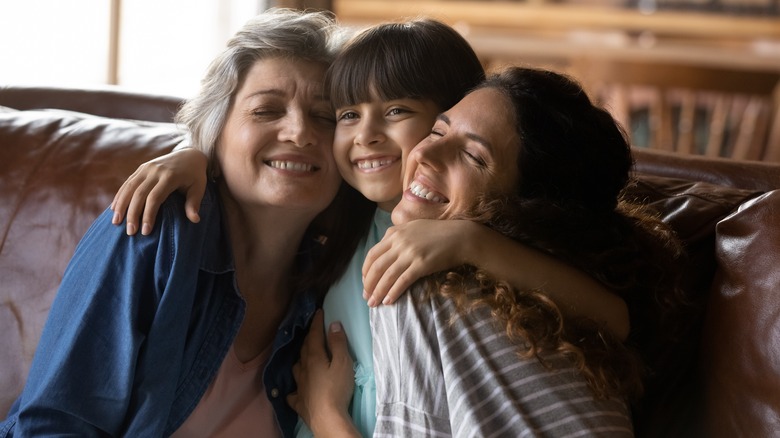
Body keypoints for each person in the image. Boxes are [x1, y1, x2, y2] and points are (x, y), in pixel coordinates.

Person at [110, 18, 634, 437]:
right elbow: (271, 170)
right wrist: (195, 155)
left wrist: (472, 242)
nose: (366, 136)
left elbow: (615, 316)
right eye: (346, 115)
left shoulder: (459, 265)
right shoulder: (341, 209)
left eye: (399, 110)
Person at [0, 8, 355, 437]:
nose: (300, 132)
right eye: (266, 111)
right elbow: (54, 426)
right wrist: (194, 150)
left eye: (325, 116)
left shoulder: (336, 281)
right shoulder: (151, 229)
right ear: (215, 134)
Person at [300, 66, 686, 436]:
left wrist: (327, 417)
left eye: (473, 156)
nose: (424, 156)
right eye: (437, 132)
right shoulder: (554, 298)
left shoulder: (426, 285)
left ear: (530, 207)